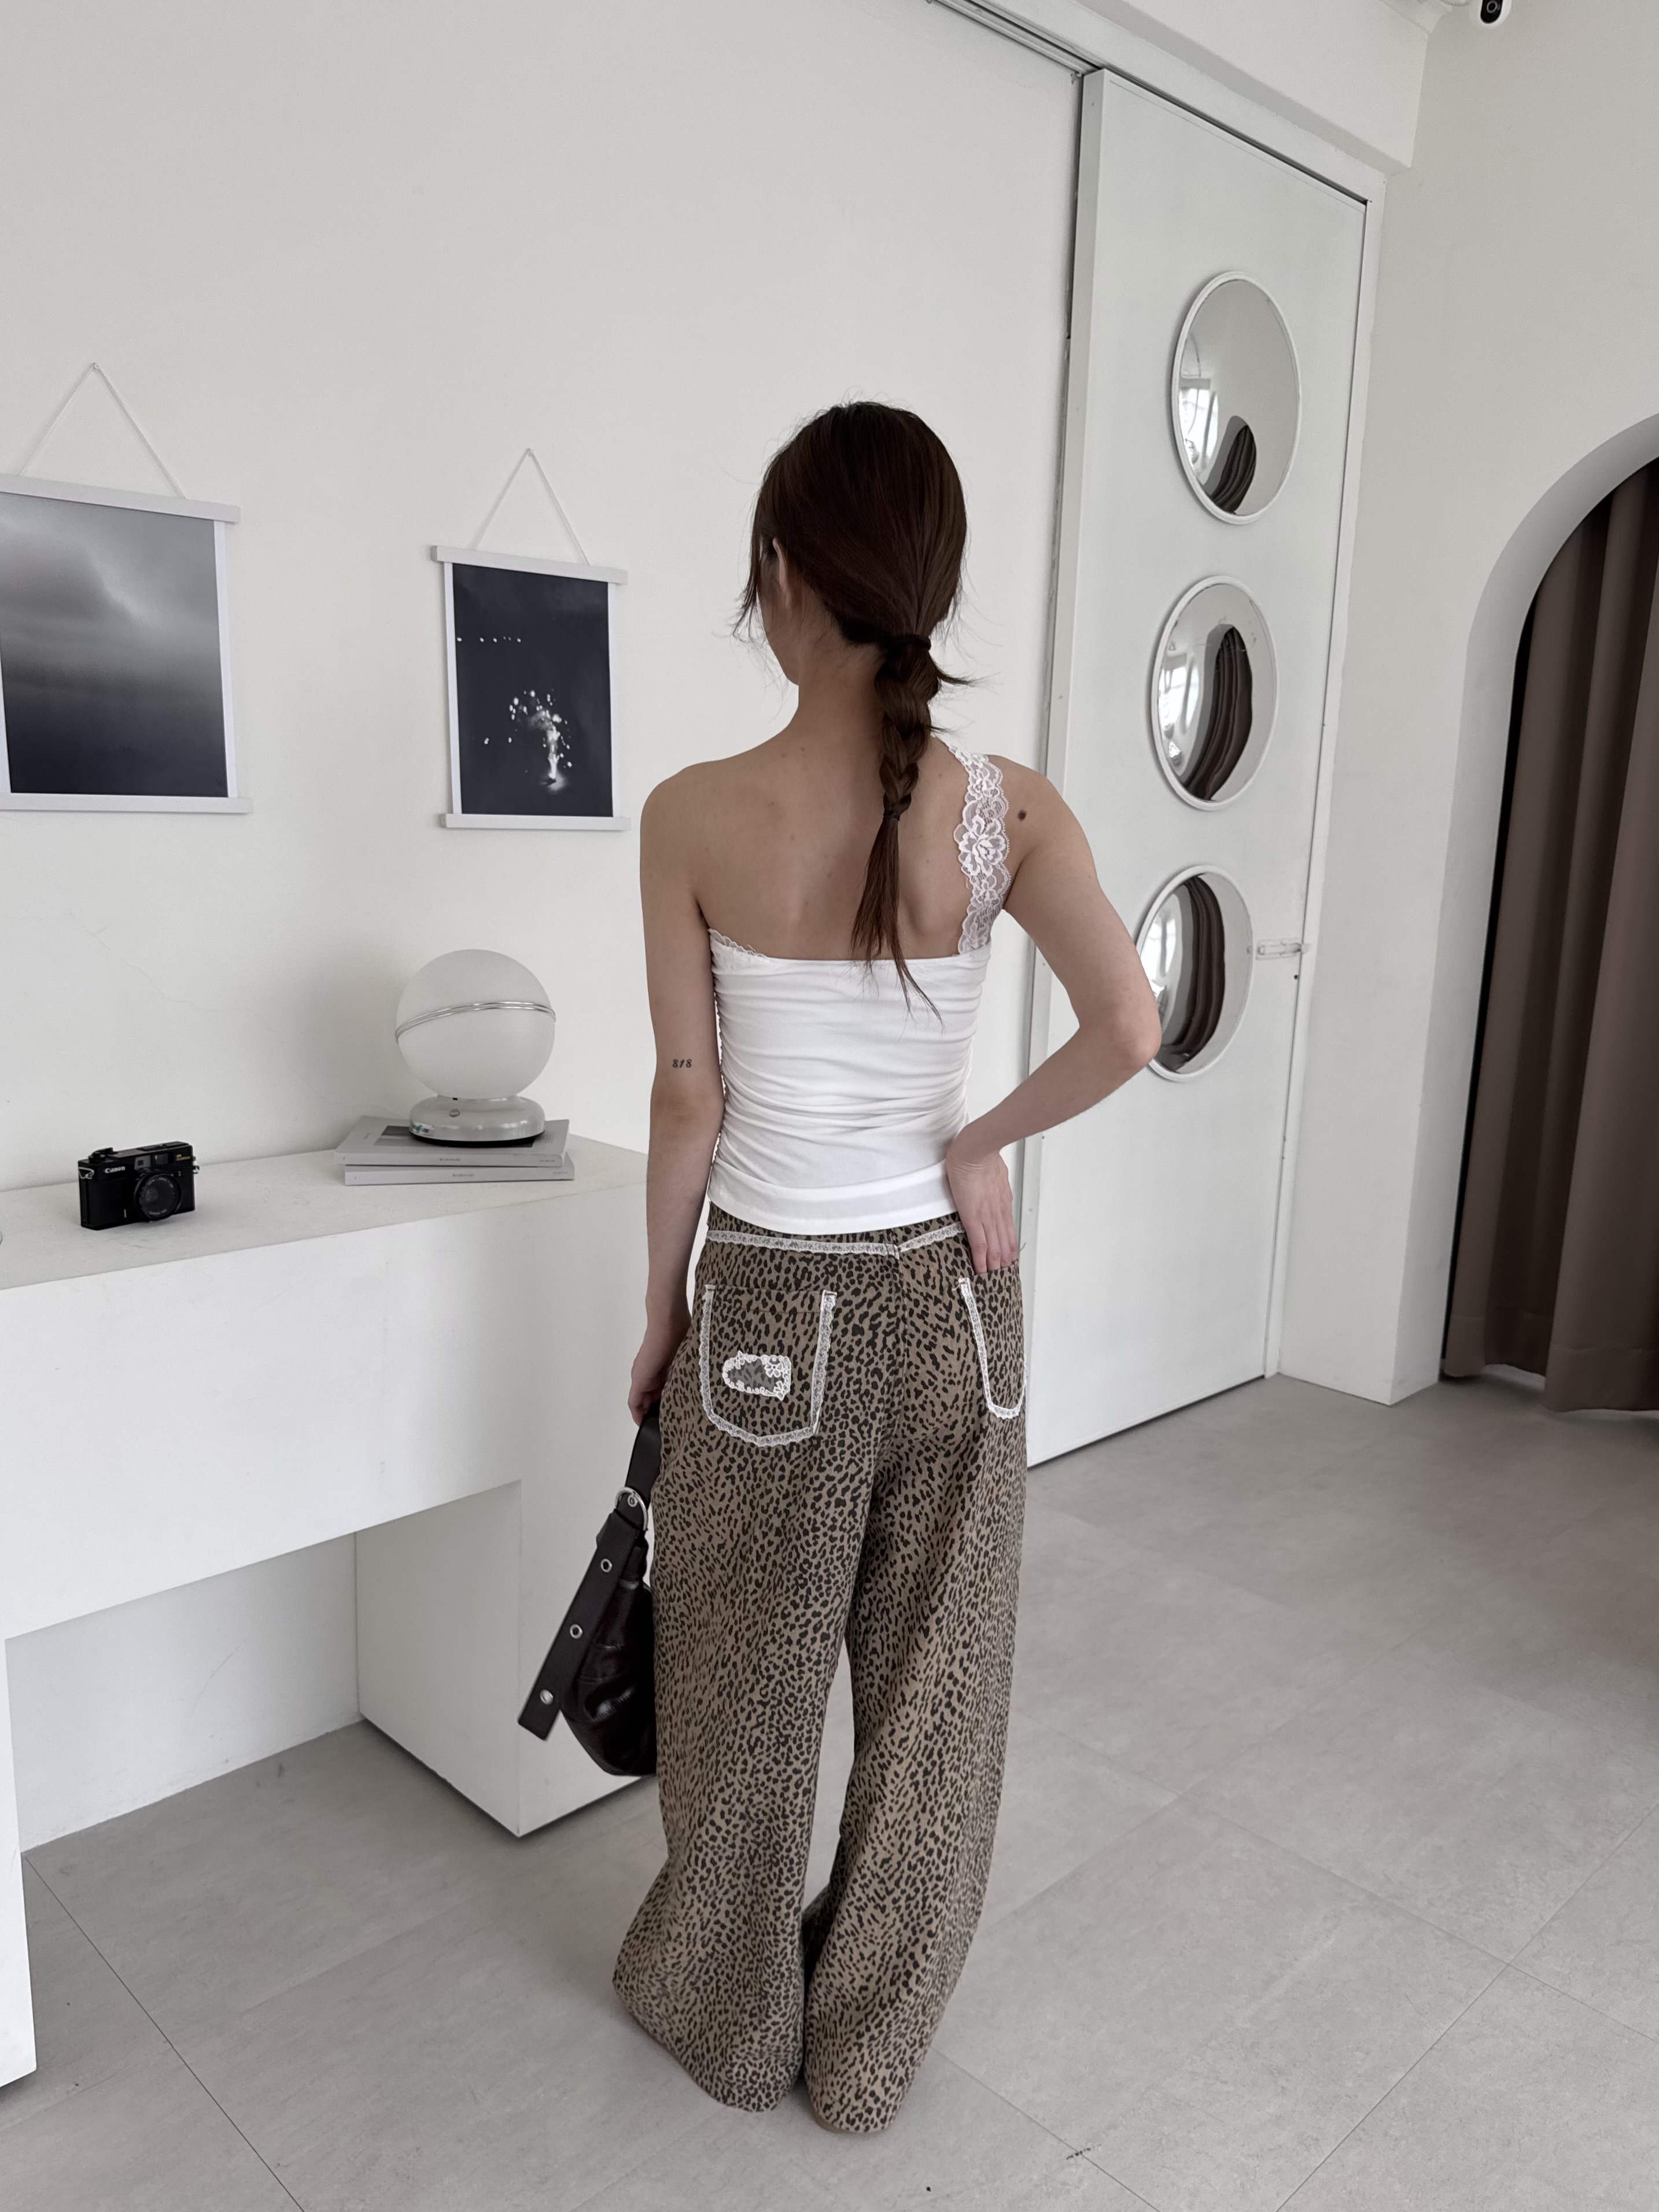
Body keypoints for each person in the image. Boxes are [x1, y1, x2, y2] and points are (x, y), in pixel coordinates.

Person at [614, 401, 1161, 2134]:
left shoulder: (692, 813)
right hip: (952, 1307)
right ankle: (864, 2054)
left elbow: (687, 1097)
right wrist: (979, 1138)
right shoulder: (1007, 812)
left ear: (781, 574)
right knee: (939, 1699)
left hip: (769, 1312)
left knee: (743, 1691)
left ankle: (730, 2025)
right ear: (930, 580)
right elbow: (1129, 1025)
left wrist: (661, 1314)